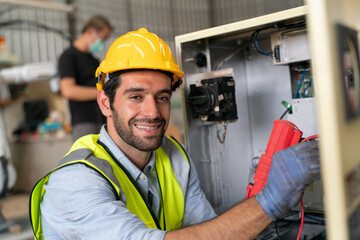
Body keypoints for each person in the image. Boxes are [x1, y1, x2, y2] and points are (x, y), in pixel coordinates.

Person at [30, 28, 320, 240]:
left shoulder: (173, 155)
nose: (153, 112)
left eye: (162, 97)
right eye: (135, 97)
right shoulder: (76, 181)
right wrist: (268, 201)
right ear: (106, 103)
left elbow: (208, 229)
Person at [59, 15, 112, 141]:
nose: (102, 43)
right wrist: (101, 93)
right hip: (84, 122)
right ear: (90, 31)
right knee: (86, 158)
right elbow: (68, 90)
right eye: (102, 39)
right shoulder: (69, 56)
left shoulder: (94, 61)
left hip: (102, 119)